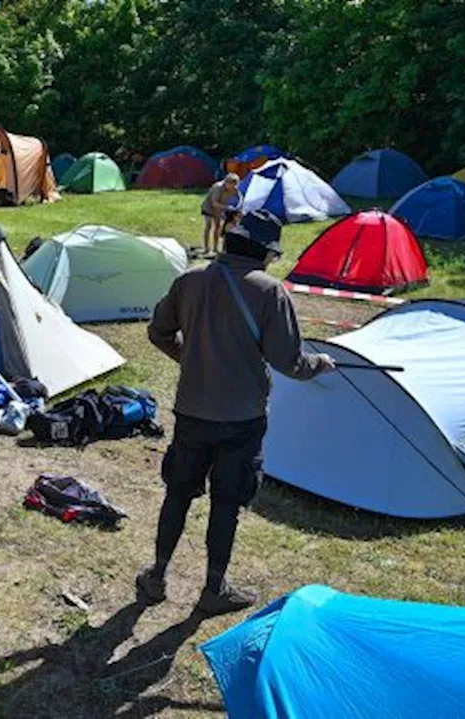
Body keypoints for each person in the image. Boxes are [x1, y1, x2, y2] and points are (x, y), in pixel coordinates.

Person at [138, 210, 335, 614]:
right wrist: (321, 364)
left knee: (177, 494)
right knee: (226, 503)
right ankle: (214, 589)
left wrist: (190, 360)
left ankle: (156, 575)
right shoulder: (269, 292)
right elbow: (289, 362)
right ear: (265, 252)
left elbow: (158, 331)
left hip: (192, 412)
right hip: (242, 420)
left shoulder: (189, 279)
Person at [201, 173, 241, 257]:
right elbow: (214, 203)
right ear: (227, 183)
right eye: (231, 185)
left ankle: (215, 248)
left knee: (218, 227)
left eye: (235, 185)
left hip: (219, 209)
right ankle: (206, 248)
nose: (233, 187)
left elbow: (239, 198)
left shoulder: (235, 189)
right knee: (208, 226)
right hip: (209, 207)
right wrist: (227, 207)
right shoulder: (218, 188)